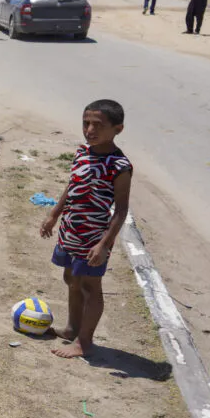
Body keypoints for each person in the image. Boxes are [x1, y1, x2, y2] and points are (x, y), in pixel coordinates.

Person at [39, 100, 132, 359]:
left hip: (93, 237)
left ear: (118, 129)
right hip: (70, 230)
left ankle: (84, 342)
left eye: (98, 125)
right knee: (71, 279)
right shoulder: (83, 152)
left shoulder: (120, 166)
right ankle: (71, 329)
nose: (90, 130)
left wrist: (103, 244)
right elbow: (72, 187)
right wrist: (53, 214)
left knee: (91, 287)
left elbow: (122, 210)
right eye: (86, 123)